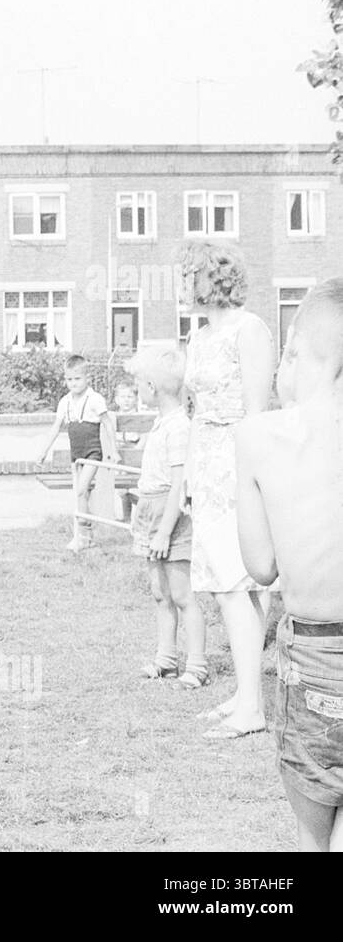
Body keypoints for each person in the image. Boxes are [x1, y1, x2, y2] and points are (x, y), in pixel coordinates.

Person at [236, 278, 343, 851]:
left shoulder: (259, 438)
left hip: (314, 657)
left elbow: (260, 566)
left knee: (313, 835)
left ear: (296, 351)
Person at [179, 242, 276, 739]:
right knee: (227, 587)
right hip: (208, 465)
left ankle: (252, 709)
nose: (182, 283)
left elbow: (257, 413)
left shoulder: (250, 329)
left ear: (212, 279)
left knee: (237, 586)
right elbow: (196, 413)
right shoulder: (198, 338)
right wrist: (189, 480)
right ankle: (245, 691)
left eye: (188, 274)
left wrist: (250, 478)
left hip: (240, 464)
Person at [127, 346, 206, 688]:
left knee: (182, 593)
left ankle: (198, 665)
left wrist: (163, 531)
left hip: (169, 515)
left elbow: (179, 484)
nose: (135, 390)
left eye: (137, 384)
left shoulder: (178, 427)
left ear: (151, 386)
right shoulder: (161, 424)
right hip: (149, 509)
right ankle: (166, 659)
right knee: (160, 593)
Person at [35, 354, 121, 551]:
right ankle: (85, 536)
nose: (73, 383)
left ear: (87, 378)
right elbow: (56, 427)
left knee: (82, 490)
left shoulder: (94, 399)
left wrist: (114, 451)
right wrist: (43, 451)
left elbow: (107, 424)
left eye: (77, 379)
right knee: (80, 494)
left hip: (92, 452)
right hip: (77, 455)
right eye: (69, 379)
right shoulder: (65, 402)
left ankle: (84, 532)